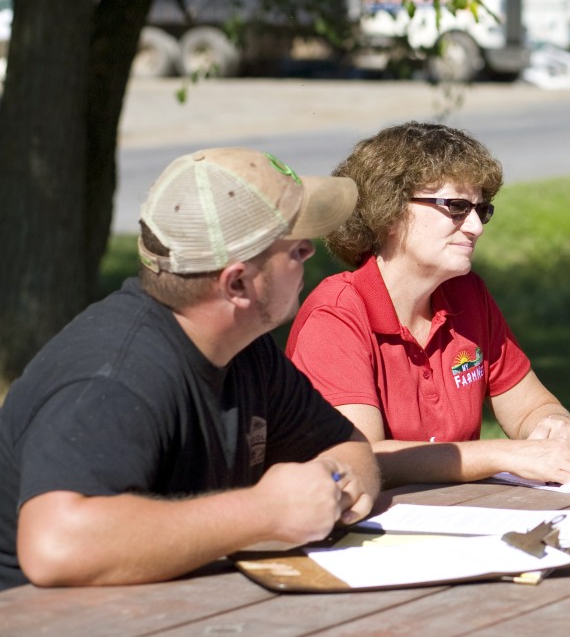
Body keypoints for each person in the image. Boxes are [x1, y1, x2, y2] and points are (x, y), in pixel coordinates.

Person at [0, 148, 380, 589]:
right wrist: (265, 512)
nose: (311, 252)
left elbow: (348, 445)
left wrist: (337, 486)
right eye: (295, 248)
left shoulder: (245, 348)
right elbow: (55, 548)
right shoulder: (114, 377)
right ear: (237, 284)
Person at [286, 122, 570, 488]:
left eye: (482, 210)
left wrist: (555, 423)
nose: (476, 226)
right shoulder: (335, 315)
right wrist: (504, 455)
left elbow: (530, 407)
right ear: (391, 212)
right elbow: (359, 456)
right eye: (457, 207)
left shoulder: (467, 294)